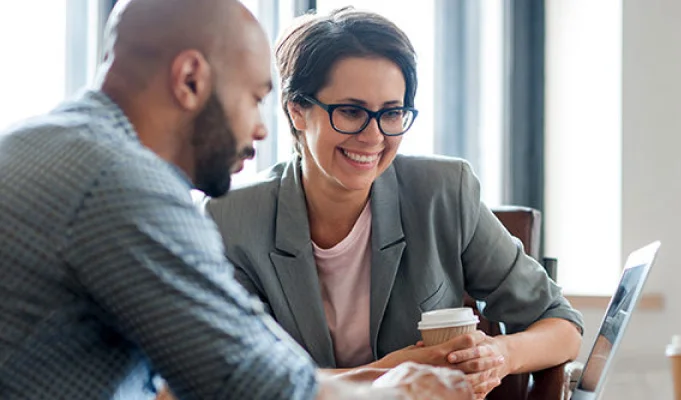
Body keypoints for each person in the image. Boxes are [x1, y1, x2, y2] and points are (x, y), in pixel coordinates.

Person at [0, 0, 470, 399]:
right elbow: (246, 382)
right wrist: (400, 390)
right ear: (190, 80)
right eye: (253, 97)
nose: (262, 128)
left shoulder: (41, 141)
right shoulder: (122, 183)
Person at [203, 8, 584, 399]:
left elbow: (561, 324)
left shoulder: (443, 193)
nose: (373, 136)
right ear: (297, 110)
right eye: (351, 112)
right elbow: (239, 381)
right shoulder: (231, 221)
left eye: (391, 113)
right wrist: (393, 373)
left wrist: (500, 354)